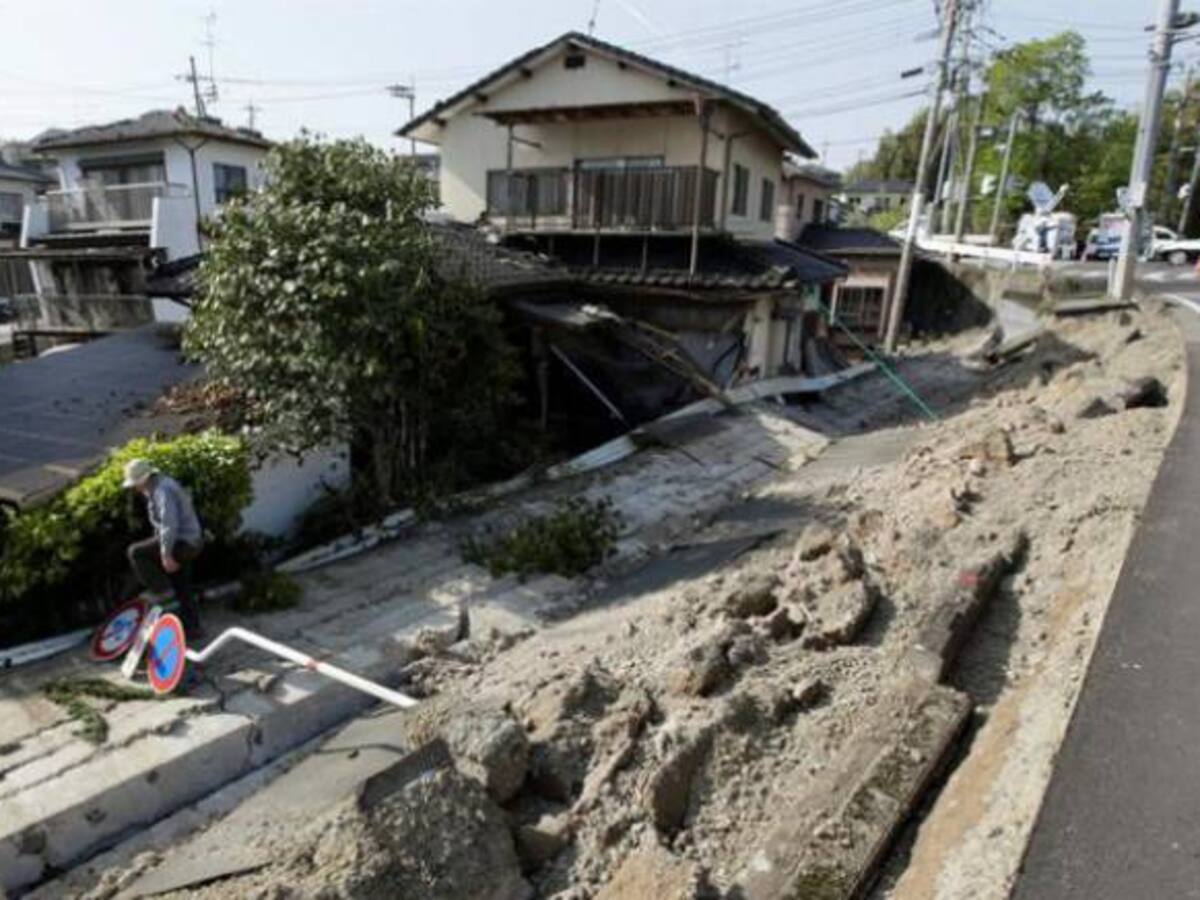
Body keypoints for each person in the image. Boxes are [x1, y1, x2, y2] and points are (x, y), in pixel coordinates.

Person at [123, 459, 206, 637]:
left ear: (143, 479)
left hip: (183, 542)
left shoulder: (162, 490)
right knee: (181, 585)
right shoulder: (158, 486)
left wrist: (165, 554)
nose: (134, 488)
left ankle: (161, 590)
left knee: (136, 552)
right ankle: (194, 629)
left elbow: (169, 525)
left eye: (135, 484)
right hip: (190, 540)